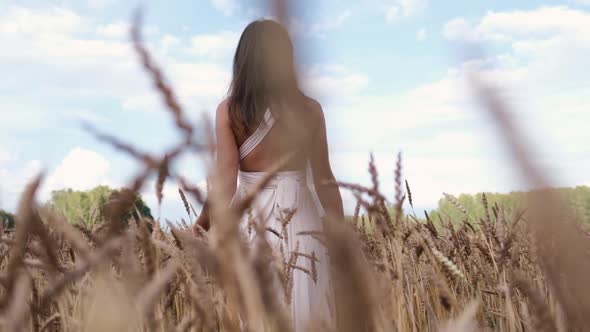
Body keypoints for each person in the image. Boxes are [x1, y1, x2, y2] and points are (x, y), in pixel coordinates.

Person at [194, 19, 344, 331]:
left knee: (258, 313)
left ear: (243, 61)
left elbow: (225, 179)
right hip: (304, 221)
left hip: (254, 223)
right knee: (309, 312)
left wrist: (201, 223)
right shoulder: (310, 110)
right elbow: (324, 179)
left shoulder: (230, 111)